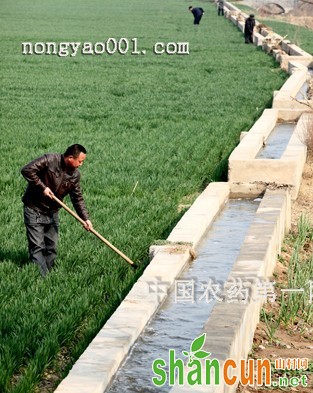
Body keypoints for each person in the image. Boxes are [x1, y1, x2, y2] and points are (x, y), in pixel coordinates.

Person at [21, 144, 92, 276]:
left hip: (53, 212)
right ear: (71, 158)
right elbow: (26, 170)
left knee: (51, 247)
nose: (81, 164)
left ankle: (50, 276)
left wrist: (85, 218)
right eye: (80, 161)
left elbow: (77, 198)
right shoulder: (49, 160)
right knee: (37, 247)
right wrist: (43, 187)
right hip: (34, 208)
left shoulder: (75, 175)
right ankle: (40, 278)